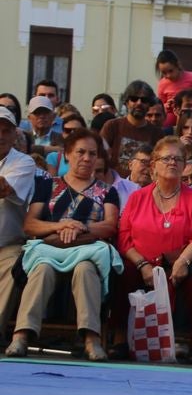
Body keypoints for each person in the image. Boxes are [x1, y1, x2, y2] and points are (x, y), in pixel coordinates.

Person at [7, 130, 118, 362]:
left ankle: (91, 338)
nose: (87, 158)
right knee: (42, 269)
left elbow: (109, 226)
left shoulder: (107, 191)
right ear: (67, 154)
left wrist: (80, 228)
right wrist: (61, 225)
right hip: (50, 249)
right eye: (80, 152)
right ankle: (21, 335)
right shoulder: (47, 185)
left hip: (85, 249)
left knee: (86, 269)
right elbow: (31, 224)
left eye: (92, 154)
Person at [116, 136, 192, 360]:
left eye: (178, 159)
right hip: (143, 262)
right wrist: (142, 265)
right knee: (125, 273)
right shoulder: (137, 197)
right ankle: (120, 340)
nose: (173, 163)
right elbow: (124, 237)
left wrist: (183, 262)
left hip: (179, 262)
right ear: (153, 165)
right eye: (167, 158)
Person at [0, 107, 36, 327]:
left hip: (8, 245)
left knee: (11, 265)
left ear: (15, 135)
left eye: (6, 131)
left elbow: (4, 190)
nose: (0, 136)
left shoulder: (24, 162)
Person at [99, 81, 162, 177]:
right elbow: (99, 156)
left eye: (144, 100)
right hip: (114, 186)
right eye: (134, 99)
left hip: (143, 187)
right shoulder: (112, 126)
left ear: (149, 104)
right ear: (126, 102)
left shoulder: (157, 133)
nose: (139, 103)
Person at [155, 49, 192, 127]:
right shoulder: (162, 83)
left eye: (171, 71)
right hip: (171, 115)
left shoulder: (191, 77)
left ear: (178, 65)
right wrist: (167, 105)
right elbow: (160, 105)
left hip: (190, 113)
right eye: (164, 73)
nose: (168, 75)